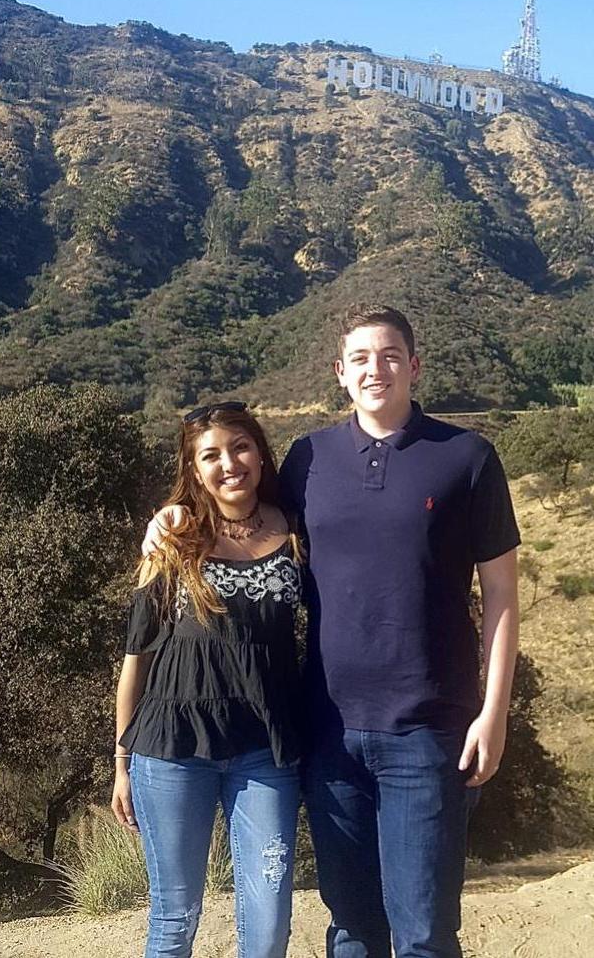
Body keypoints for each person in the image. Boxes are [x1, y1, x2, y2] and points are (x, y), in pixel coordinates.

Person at [145, 305, 521, 958]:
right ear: (339, 373)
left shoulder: (466, 457)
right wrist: (174, 511)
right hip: (327, 733)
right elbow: (241, 511)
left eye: (390, 354)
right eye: (361, 358)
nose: (375, 368)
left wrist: (494, 714)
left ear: (413, 364)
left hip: (430, 731)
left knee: (424, 930)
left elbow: (502, 596)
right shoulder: (309, 457)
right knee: (351, 926)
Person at [114, 403, 304, 958]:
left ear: (261, 454)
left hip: (265, 748)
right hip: (172, 748)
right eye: (211, 455)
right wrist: (122, 763)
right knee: (175, 916)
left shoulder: (295, 530)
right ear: (194, 469)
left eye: (240, 447)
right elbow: (136, 659)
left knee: (268, 921)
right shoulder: (172, 541)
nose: (229, 464)